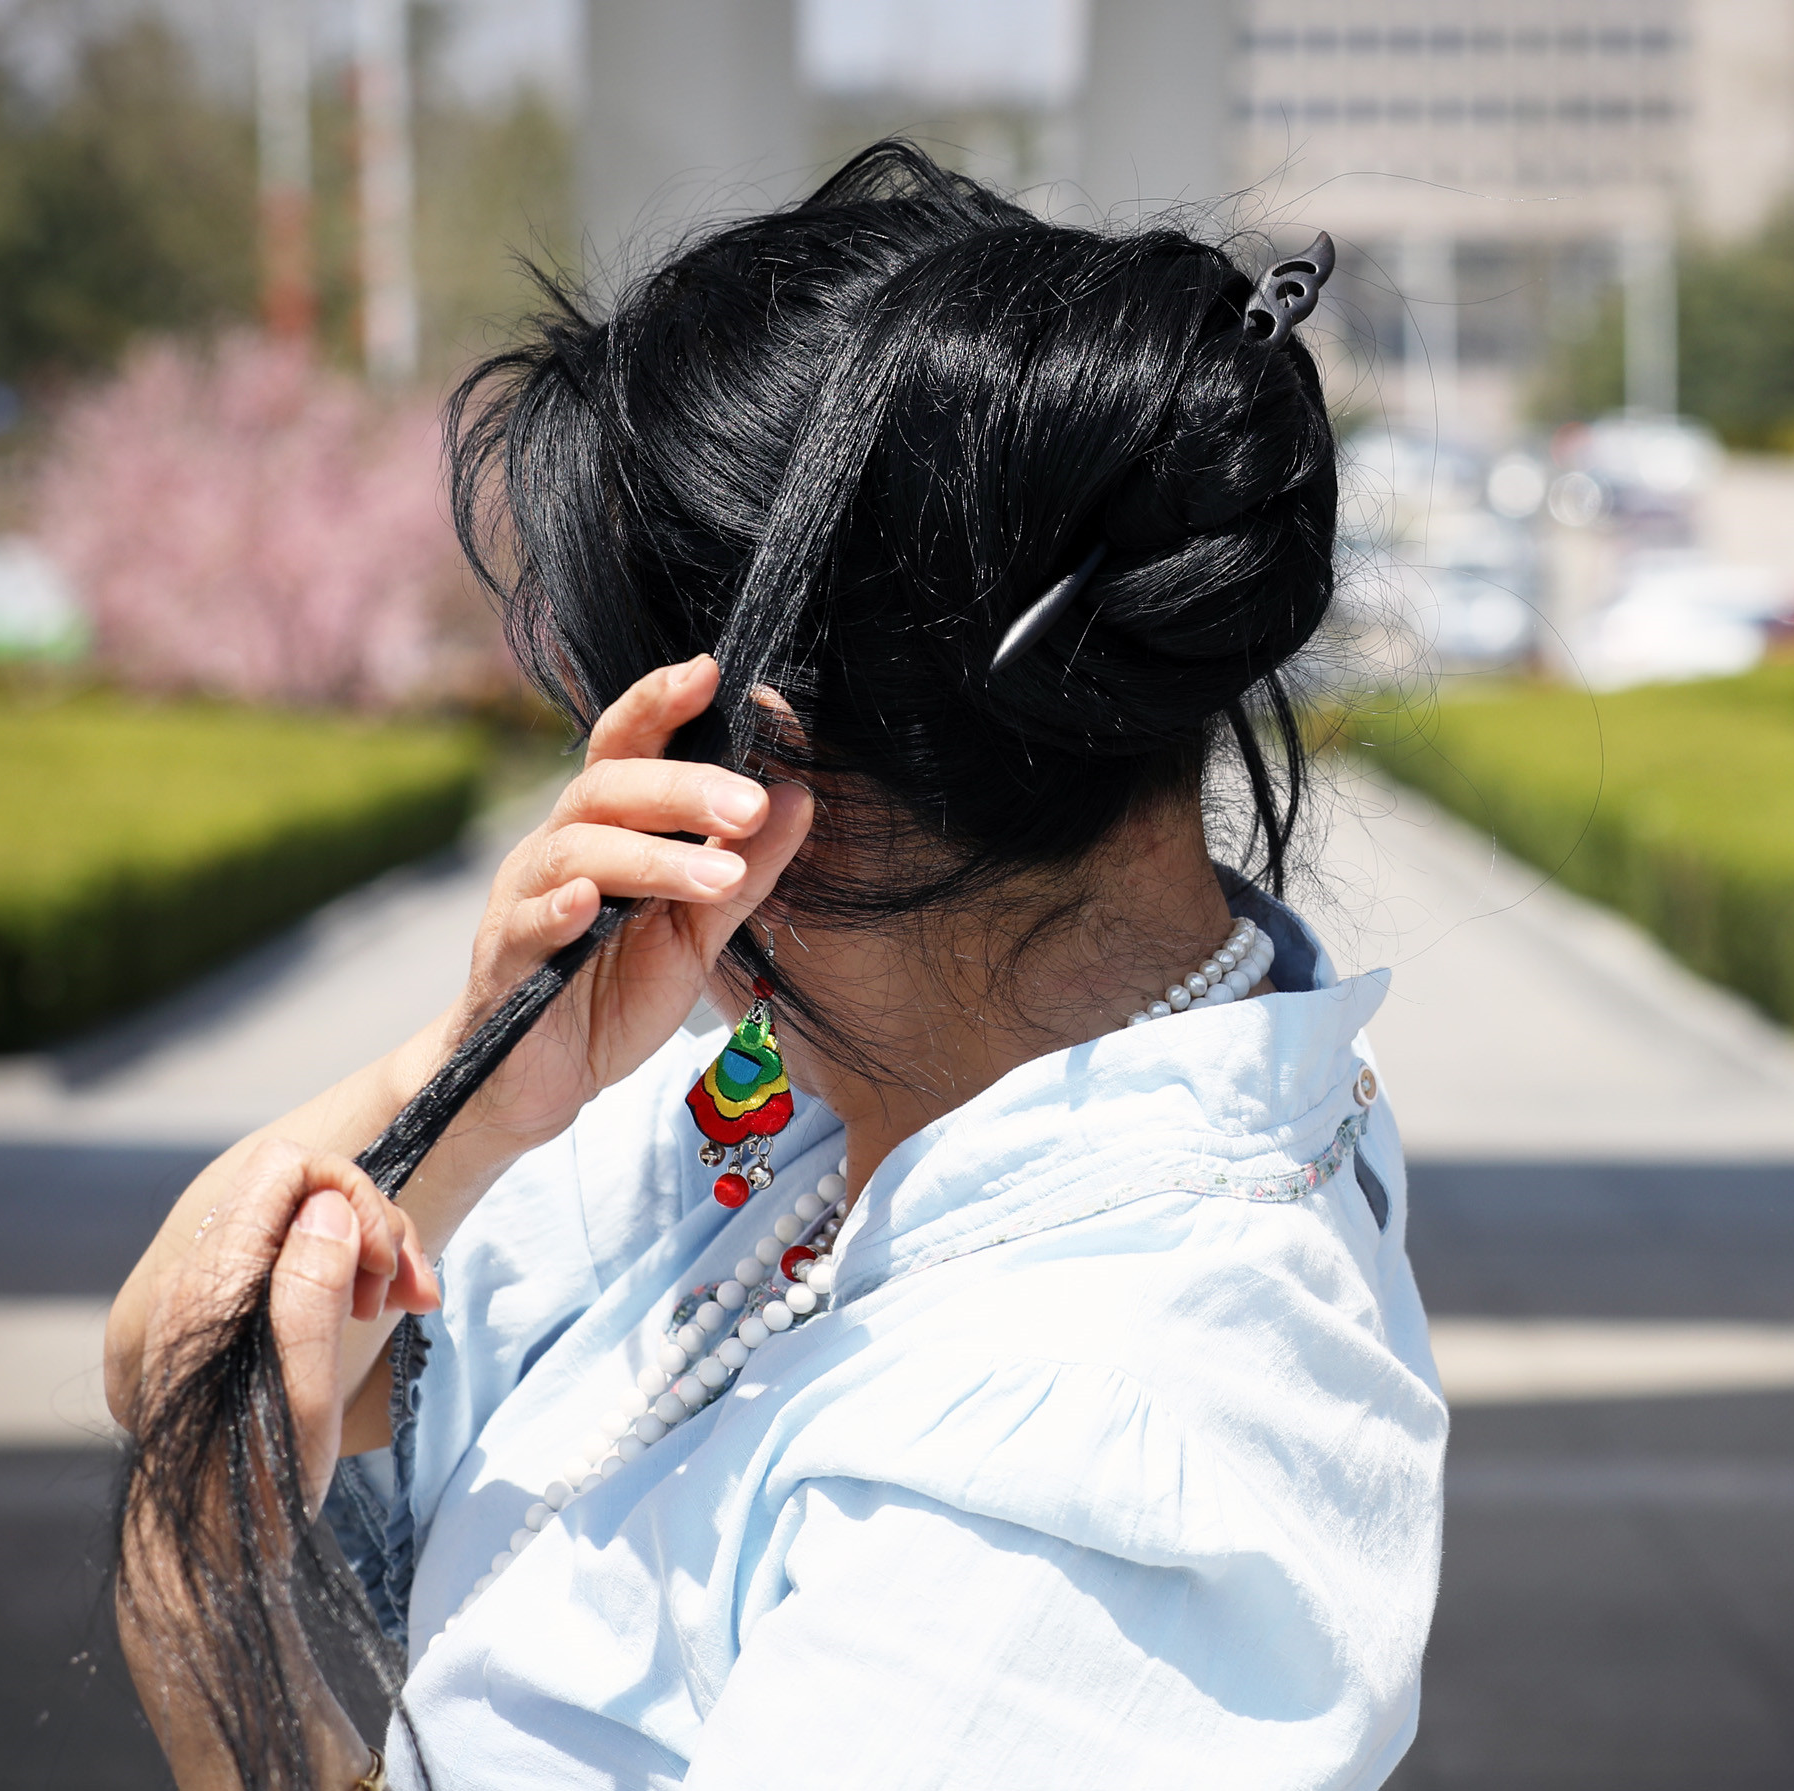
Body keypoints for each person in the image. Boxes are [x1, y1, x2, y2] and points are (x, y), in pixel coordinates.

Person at [104, 140, 1444, 1791]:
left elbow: (200, 1442)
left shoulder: (1093, 1471)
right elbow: (173, 1346)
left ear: (747, 756)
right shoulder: (840, 1085)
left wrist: (214, 1662)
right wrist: (466, 1088)